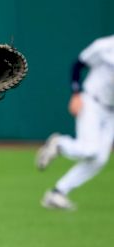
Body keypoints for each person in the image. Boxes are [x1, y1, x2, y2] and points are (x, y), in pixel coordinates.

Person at [36, 34, 114, 210]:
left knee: (100, 159)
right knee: (90, 149)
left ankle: (57, 193)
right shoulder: (105, 46)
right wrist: (76, 94)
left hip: (111, 113)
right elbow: (78, 65)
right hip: (92, 102)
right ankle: (59, 144)